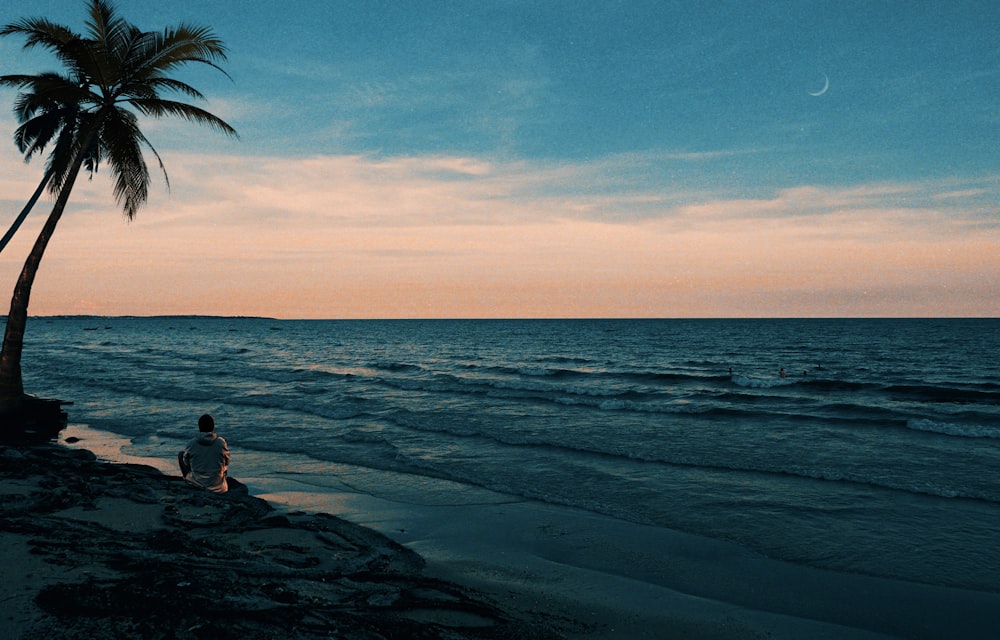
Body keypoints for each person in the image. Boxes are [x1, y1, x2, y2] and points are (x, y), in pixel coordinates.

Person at [178, 414, 230, 493]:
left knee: (181, 454)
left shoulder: (192, 443)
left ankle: (188, 478)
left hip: (197, 483)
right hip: (218, 487)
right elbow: (227, 461)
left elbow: (186, 463)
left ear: (199, 427)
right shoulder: (221, 442)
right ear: (213, 427)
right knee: (223, 460)